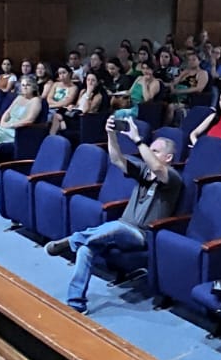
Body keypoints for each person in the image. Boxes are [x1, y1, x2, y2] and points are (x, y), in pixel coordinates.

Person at [45, 116, 180, 314]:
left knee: (115, 227)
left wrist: (137, 140)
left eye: (155, 151)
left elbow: (158, 168)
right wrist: (111, 135)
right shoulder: (143, 171)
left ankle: (72, 240)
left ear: (168, 158)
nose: (149, 153)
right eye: (150, 149)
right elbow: (117, 159)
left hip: (141, 235)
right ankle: (76, 303)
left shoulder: (173, 178)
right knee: (85, 250)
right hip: (120, 228)